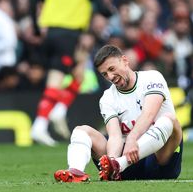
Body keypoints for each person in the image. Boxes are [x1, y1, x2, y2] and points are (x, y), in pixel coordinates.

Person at [54, 45, 183, 182]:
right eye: (105, 74)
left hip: (159, 160)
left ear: (125, 61)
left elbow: (149, 114)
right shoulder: (108, 97)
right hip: (127, 160)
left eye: (111, 69)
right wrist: (112, 161)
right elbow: (114, 135)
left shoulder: (152, 78)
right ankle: (76, 172)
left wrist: (132, 139)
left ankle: (119, 165)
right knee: (81, 131)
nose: (110, 77)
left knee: (169, 119)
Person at [29, 0, 113, 146]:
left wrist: (35, 27)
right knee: (56, 79)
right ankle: (39, 125)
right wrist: (110, 10)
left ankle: (59, 111)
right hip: (69, 34)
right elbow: (102, 8)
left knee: (79, 75)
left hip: (51, 33)